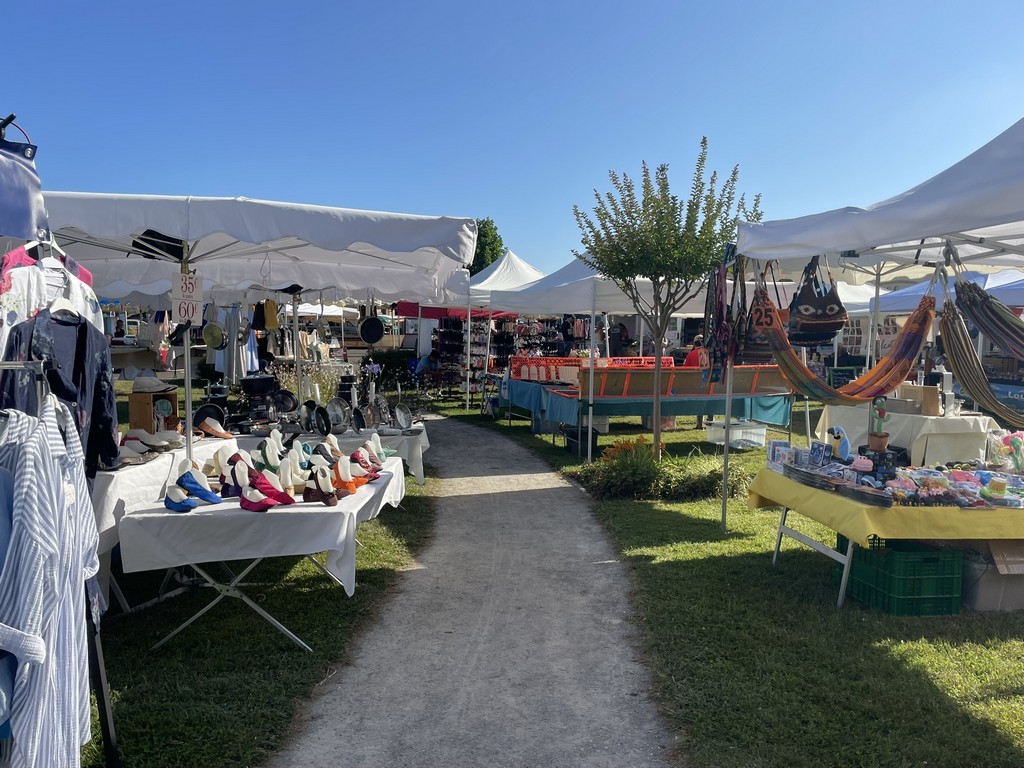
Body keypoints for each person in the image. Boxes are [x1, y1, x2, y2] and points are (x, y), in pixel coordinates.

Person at [682, 335, 706, 428]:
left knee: (700, 401)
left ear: (694, 343)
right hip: (707, 384)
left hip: (695, 384)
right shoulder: (706, 353)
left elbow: (685, 370)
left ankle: (699, 424)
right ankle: (710, 420)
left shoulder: (691, 354)